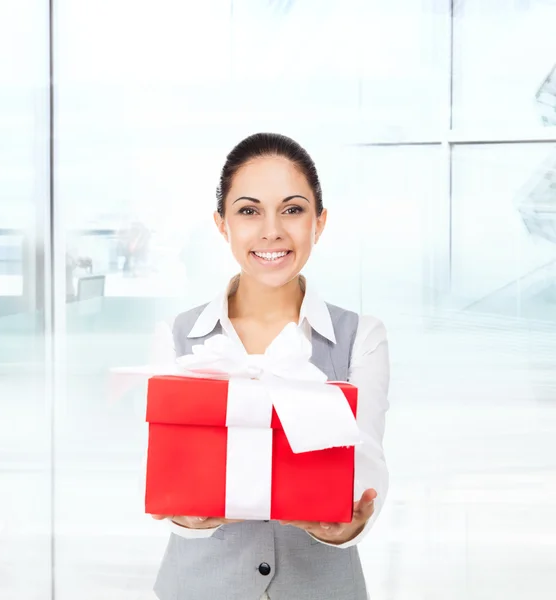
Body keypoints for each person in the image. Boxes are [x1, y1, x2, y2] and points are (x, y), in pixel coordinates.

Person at [150, 133, 390, 600]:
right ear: (222, 225)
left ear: (319, 222)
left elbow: (368, 465)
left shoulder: (361, 335)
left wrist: (343, 527)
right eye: (248, 210)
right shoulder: (177, 336)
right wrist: (187, 519)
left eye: (293, 209)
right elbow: (173, 473)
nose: (272, 231)